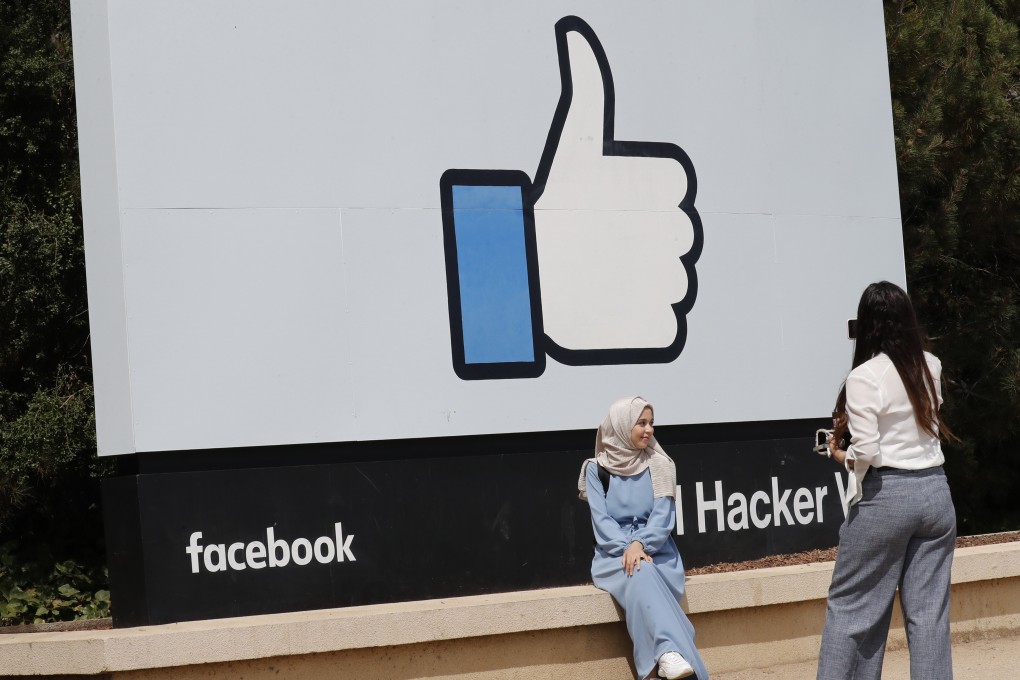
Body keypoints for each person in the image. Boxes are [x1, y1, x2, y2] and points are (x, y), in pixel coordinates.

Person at [817, 281, 957, 680]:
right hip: (935, 492)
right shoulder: (931, 364)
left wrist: (841, 455)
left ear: (866, 326)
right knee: (929, 616)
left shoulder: (864, 376)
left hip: (886, 495)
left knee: (850, 608)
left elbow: (869, 452)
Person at [578, 396, 708, 680]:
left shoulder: (659, 464)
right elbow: (601, 522)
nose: (649, 430)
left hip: (658, 551)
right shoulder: (595, 469)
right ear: (622, 426)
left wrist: (641, 544)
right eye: (641, 423)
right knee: (638, 567)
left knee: (643, 567)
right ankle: (670, 653)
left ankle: (657, 665)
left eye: (652, 423)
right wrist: (628, 547)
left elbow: (663, 518)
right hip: (613, 555)